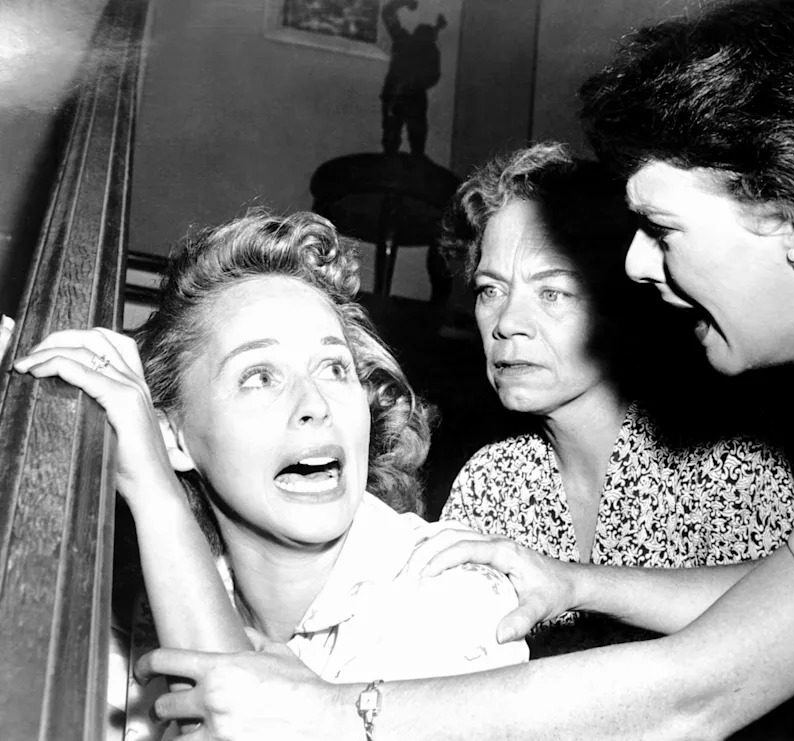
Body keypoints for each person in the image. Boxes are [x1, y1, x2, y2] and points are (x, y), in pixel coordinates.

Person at [132, 1, 794, 738]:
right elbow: (788, 600)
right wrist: (574, 579)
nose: (636, 264)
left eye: (663, 228)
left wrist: (335, 710)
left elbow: (695, 695)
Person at [11, 211, 527, 737]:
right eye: (259, 377)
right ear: (172, 437)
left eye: (334, 368)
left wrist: (155, 491)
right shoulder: (144, 608)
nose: (315, 404)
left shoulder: (456, 596)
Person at [439, 142, 794, 657]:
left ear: (622, 304)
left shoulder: (729, 465)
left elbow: (775, 654)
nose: (507, 324)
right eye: (490, 290)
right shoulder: (491, 481)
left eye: (553, 292)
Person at [380, 0, 447, 156]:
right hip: (403, 96)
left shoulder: (404, 39)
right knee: (405, 139)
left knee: (405, 139)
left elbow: (388, 12)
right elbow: (433, 76)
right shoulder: (428, 49)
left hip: (401, 96)